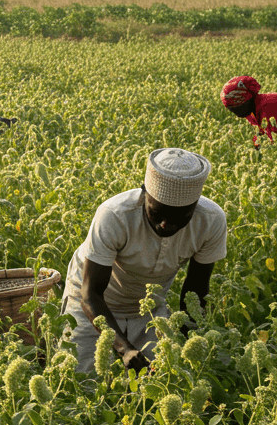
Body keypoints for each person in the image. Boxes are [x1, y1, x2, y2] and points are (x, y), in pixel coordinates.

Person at [60, 148, 227, 374]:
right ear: (144, 194)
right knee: (79, 380)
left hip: (148, 308)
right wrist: (123, 348)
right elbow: (90, 294)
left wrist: (192, 344)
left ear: (195, 206)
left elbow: (195, 291)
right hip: (93, 304)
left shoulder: (210, 221)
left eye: (180, 218)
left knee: (157, 381)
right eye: (157, 214)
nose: (166, 225)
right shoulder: (115, 215)